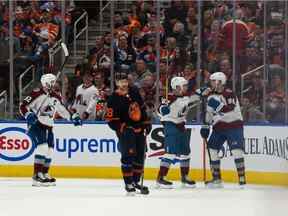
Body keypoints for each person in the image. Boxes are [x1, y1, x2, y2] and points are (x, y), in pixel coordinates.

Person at [19, 73, 82, 186]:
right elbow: (22, 106)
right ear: (47, 83)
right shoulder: (36, 93)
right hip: (36, 124)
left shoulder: (55, 96)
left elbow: (62, 110)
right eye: (53, 82)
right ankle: (36, 176)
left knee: (50, 150)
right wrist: (28, 115)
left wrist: (73, 117)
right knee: (42, 147)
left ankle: (44, 173)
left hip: (49, 126)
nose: (55, 84)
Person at [156, 76, 209, 188]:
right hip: (170, 125)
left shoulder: (187, 96)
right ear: (177, 87)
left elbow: (196, 96)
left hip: (181, 125)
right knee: (170, 153)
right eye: (183, 85)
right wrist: (163, 109)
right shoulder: (169, 97)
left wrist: (204, 90)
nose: (185, 87)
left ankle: (184, 177)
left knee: (186, 151)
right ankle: (160, 178)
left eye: (185, 85)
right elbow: (160, 109)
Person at [105, 71, 152, 196]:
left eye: (125, 81)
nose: (124, 84)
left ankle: (136, 181)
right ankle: (128, 183)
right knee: (128, 157)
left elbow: (142, 108)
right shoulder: (113, 99)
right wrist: (122, 127)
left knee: (140, 156)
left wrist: (146, 122)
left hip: (139, 129)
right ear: (116, 83)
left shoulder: (134, 91)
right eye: (121, 82)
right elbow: (110, 120)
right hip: (126, 132)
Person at [200, 72, 246, 188]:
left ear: (219, 82)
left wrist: (217, 105)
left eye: (212, 80)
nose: (210, 83)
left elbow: (229, 109)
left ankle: (241, 178)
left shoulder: (229, 94)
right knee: (212, 148)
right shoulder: (210, 96)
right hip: (219, 127)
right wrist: (205, 126)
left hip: (233, 126)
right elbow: (209, 114)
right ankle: (217, 178)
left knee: (236, 151)